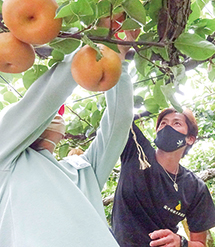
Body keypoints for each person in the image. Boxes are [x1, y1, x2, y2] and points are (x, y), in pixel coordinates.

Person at [0, 43, 133, 246]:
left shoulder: (82, 169)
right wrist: (91, 48)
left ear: (62, 136)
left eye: (60, 115)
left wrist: (119, 62)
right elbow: (47, 96)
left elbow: (119, 122)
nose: (55, 116)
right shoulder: (6, 157)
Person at [111, 108, 215, 247]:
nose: (167, 127)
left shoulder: (195, 187)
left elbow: (200, 244)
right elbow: (118, 114)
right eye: (163, 123)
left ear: (190, 139)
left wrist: (181, 243)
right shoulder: (137, 152)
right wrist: (151, 108)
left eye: (176, 123)